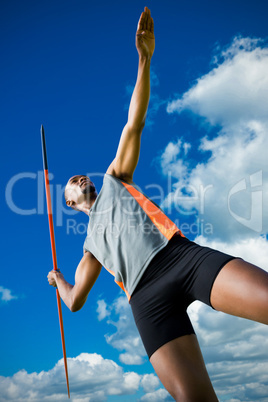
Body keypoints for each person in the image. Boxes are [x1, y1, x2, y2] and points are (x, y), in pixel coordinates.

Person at [48, 7, 268, 401]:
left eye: (81, 175)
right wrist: (57, 280)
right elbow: (76, 300)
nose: (80, 178)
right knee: (194, 398)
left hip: (181, 259)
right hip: (146, 302)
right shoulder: (89, 249)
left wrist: (144, 60)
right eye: (72, 183)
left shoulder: (115, 177)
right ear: (69, 202)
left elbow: (134, 122)